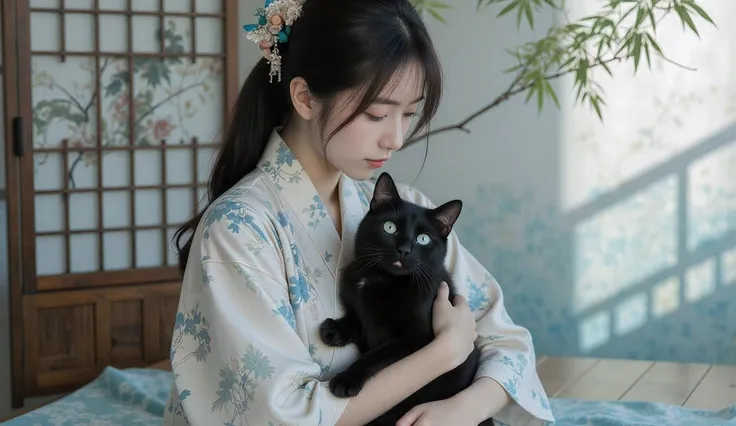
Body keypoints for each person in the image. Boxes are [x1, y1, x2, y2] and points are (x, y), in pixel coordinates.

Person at [161, 0, 555, 425]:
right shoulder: (239, 229)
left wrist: (466, 406)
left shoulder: (407, 209)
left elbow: (505, 338)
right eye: (377, 114)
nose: (396, 139)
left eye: (409, 114)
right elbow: (277, 414)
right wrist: (445, 352)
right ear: (305, 98)